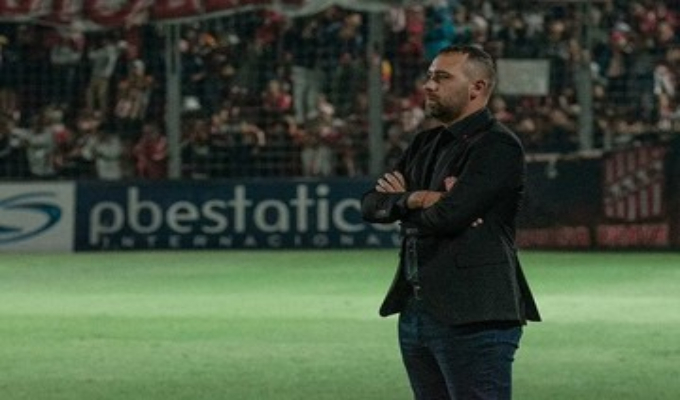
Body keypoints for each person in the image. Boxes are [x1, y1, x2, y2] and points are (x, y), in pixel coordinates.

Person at [361, 44, 541, 400]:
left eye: (442, 77)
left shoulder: (497, 146)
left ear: (477, 87)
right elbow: (370, 205)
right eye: (429, 76)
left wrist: (401, 206)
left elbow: (448, 217)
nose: (429, 85)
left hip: (475, 314)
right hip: (416, 312)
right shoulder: (424, 143)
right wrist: (416, 198)